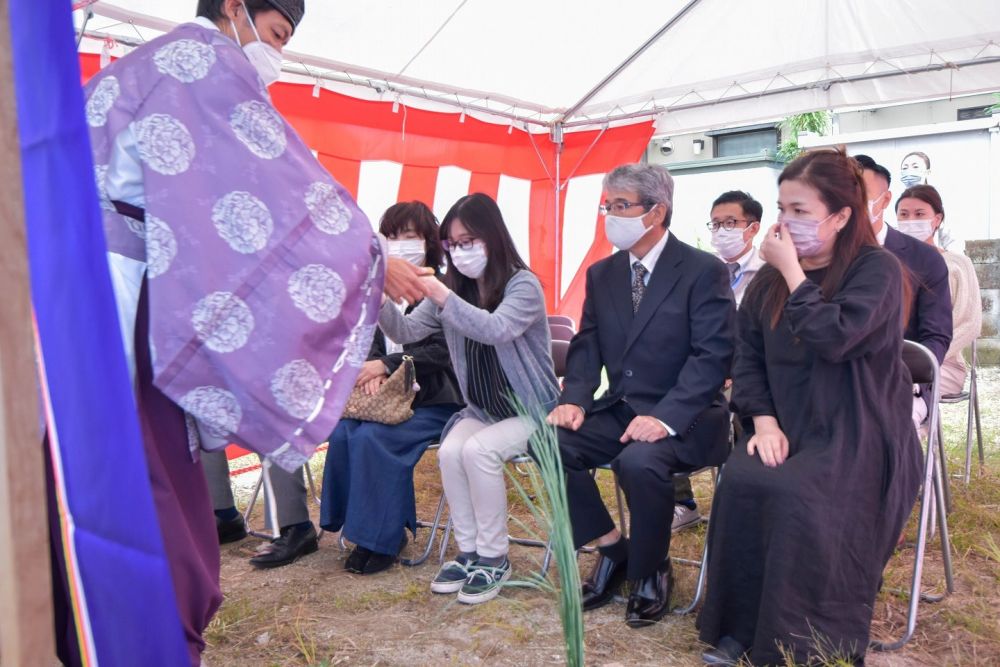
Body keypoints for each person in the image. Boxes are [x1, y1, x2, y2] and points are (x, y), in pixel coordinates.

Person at [79, 1, 426, 662]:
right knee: (152, 488)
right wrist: (369, 255)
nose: (276, 54)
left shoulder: (141, 64)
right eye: (275, 34)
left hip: (76, 291)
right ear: (235, 8)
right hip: (123, 296)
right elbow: (280, 196)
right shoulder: (206, 59)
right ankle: (145, 633)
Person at [698, 148, 923, 666]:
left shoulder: (878, 271)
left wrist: (794, 275)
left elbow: (835, 337)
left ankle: (802, 644)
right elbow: (747, 355)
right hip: (788, 424)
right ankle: (740, 628)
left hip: (859, 431)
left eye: (801, 211)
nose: (786, 222)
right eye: (783, 208)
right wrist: (763, 420)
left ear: (842, 216)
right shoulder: (767, 285)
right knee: (744, 480)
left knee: (802, 495)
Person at [547, 163, 734, 628]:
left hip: (688, 416)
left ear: (656, 212)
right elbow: (586, 345)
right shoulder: (603, 274)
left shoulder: (702, 270)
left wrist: (666, 418)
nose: (609, 214)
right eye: (606, 205)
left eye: (620, 205)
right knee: (550, 444)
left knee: (638, 462)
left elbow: (711, 358)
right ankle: (614, 550)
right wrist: (575, 398)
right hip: (624, 408)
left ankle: (652, 570)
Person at [377, 193, 559, 605]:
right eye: (452, 244)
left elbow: (495, 329)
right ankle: (469, 551)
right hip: (483, 409)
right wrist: (379, 295)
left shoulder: (522, 284)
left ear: (492, 237)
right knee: (450, 451)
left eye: (468, 241)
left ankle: (495, 558)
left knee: (478, 450)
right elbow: (405, 332)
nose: (459, 252)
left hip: (532, 410)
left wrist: (438, 294)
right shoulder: (453, 287)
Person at [320, 202, 463, 575]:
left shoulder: (444, 286)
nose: (400, 245)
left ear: (429, 241)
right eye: (392, 237)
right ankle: (358, 529)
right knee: (346, 432)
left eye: (410, 237)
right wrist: (374, 371)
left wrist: (387, 365)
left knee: (375, 439)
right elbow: (363, 334)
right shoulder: (376, 288)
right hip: (388, 397)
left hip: (436, 398)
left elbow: (445, 350)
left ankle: (382, 539)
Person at [668, 191, 766, 531]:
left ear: (753, 228)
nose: (721, 230)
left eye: (731, 223)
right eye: (716, 223)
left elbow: (765, 338)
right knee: (665, 402)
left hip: (748, 374)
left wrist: (733, 372)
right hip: (704, 371)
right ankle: (681, 501)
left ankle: (742, 502)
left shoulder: (770, 274)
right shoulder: (699, 272)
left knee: (743, 408)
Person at [855, 154, 952, 430]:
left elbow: (936, 337)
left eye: (861, 196)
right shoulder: (819, 259)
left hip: (903, 384)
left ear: (884, 200)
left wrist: (902, 376)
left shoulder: (924, 259)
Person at [895, 185, 983, 395]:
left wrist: (925, 355)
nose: (911, 221)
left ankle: (917, 425)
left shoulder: (958, 264)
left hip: (944, 363)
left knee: (898, 390)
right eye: (904, 214)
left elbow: (970, 324)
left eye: (919, 214)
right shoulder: (887, 263)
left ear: (937, 219)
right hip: (893, 359)